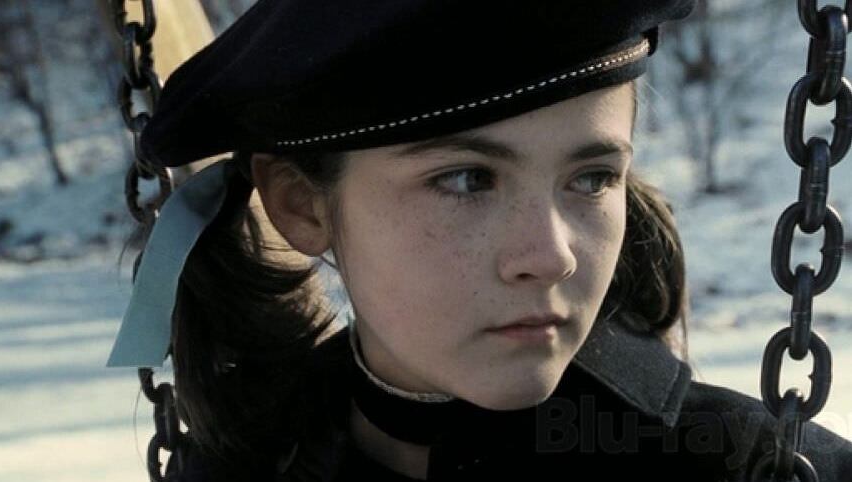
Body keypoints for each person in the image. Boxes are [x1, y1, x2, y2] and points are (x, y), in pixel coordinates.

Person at [105, 0, 852, 480]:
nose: (551, 256)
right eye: (468, 180)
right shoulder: (243, 466)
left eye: (591, 178)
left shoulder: (752, 466)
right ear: (302, 206)